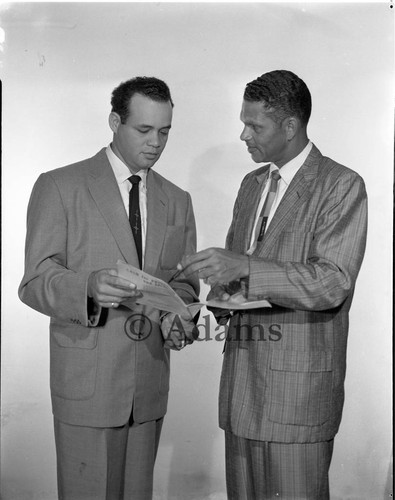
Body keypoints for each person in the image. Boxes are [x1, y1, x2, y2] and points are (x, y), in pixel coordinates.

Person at [179, 70, 367, 499]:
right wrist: (208, 299)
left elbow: (333, 282)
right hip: (242, 389)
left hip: (298, 396)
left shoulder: (341, 185)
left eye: (254, 125)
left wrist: (243, 266)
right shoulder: (251, 185)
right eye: (243, 122)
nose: (243, 134)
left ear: (290, 126)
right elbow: (238, 273)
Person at [19, 76, 199, 500]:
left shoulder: (178, 199)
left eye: (165, 131)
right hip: (88, 386)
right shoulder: (59, 185)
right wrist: (87, 286)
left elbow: (184, 282)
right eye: (144, 130)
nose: (156, 142)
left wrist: (179, 314)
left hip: (149, 386)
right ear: (114, 121)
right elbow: (34, 282)